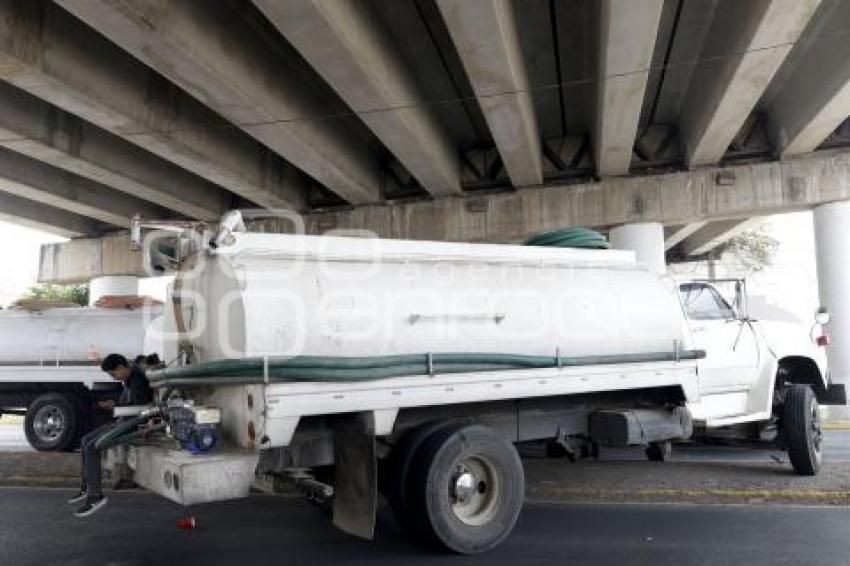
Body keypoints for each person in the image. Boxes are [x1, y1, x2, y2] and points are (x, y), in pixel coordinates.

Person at [69, 353, 154, 517]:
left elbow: (139, 404)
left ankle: (95, 496)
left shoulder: (137, 379)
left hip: (132, 424)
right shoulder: (129, 379)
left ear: (122, 367)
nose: (113, 377)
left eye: (113, 374)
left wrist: (114, 405)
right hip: (123, 421)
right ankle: (87, 487)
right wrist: (115, 404)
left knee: (94, 446)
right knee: (85, 440)